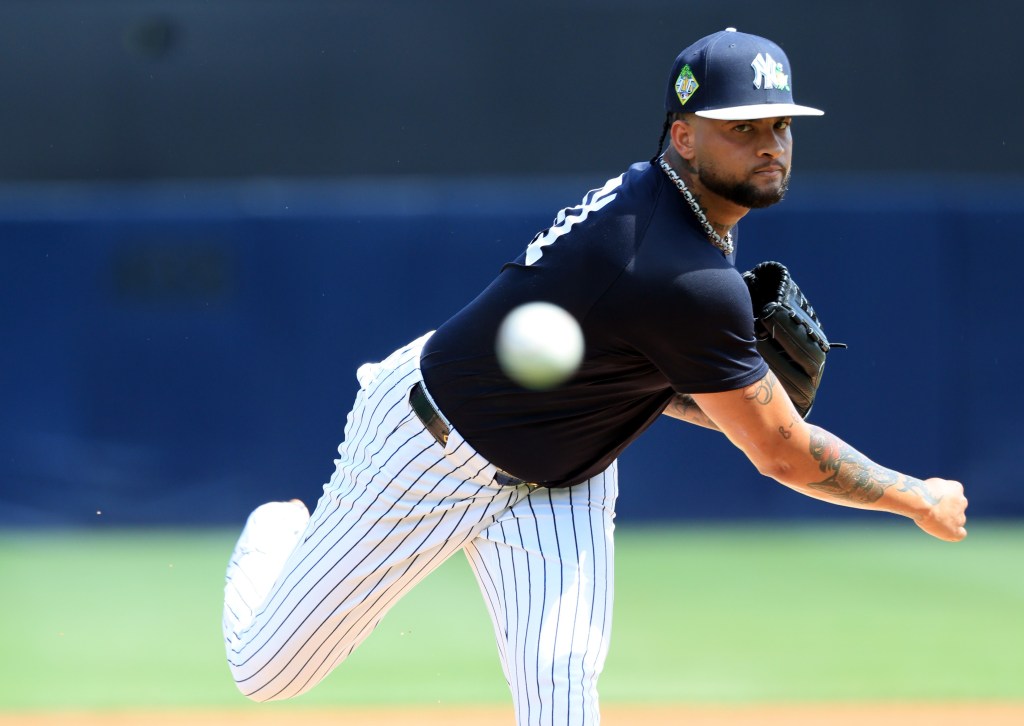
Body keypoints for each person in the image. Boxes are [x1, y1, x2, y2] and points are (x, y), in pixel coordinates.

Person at [222, 27, 968, 725]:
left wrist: (735, 397)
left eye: (780, 126)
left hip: (566, 470)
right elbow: (781, 452)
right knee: (268, 674)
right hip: (431, 446)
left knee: (562, 689)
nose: (768, 145)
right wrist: (917, 497)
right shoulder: (677, 270)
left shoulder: (670, 207)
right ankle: (281, 530)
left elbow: (647, 372)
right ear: (684, 135)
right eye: (741, 128)